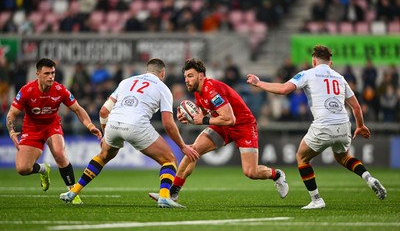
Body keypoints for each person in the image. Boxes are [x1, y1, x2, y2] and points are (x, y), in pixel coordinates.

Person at [246, 45, 387, 209]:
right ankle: (368, 177)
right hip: (343, 124)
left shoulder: (307, 74)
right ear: (331, 63)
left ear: (313, 61)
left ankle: (316, 199)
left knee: (302, 157)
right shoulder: (340, 78)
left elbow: (283, 89)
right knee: (343, 157)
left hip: (323, 125)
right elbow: (356, 107)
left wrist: (259, 83)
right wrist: (361, 126)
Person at [59, 58, 199, 208]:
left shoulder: (125, 82)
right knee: (169, 160)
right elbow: (168, 123)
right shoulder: (162, 88)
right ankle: (164, 197)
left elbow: (104, 111)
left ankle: (73, 192)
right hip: (136, 125)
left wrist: (106, 134)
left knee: (104, 156)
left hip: (113, 123)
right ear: (162, 73)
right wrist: (183, 146)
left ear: (147, 70)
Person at [149, 58, 289, 203]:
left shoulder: (212, 90)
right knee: (193, 150)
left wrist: (202, 120)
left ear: (201, 76)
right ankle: (172, 194)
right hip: (221, 124)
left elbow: (230, 119)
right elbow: (204, 114)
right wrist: (189, 117)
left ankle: (277, 175)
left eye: (190, 76)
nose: (187, 80)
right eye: (185, 77)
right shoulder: (198, 91)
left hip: (243, 126)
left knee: (251, 172)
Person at [6, 58, 102, 205]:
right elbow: (12, 114)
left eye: (53, 73)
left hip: (52, 125)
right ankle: (44, 169)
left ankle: (73, 191)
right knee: (22, 168)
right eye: (47, 73)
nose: (51, 76)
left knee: (59, 153)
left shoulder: (60, 89)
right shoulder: (27, 91)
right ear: (38, 74)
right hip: (32, 128)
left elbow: (78, 109)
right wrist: (12, 131)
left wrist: (90, 126)